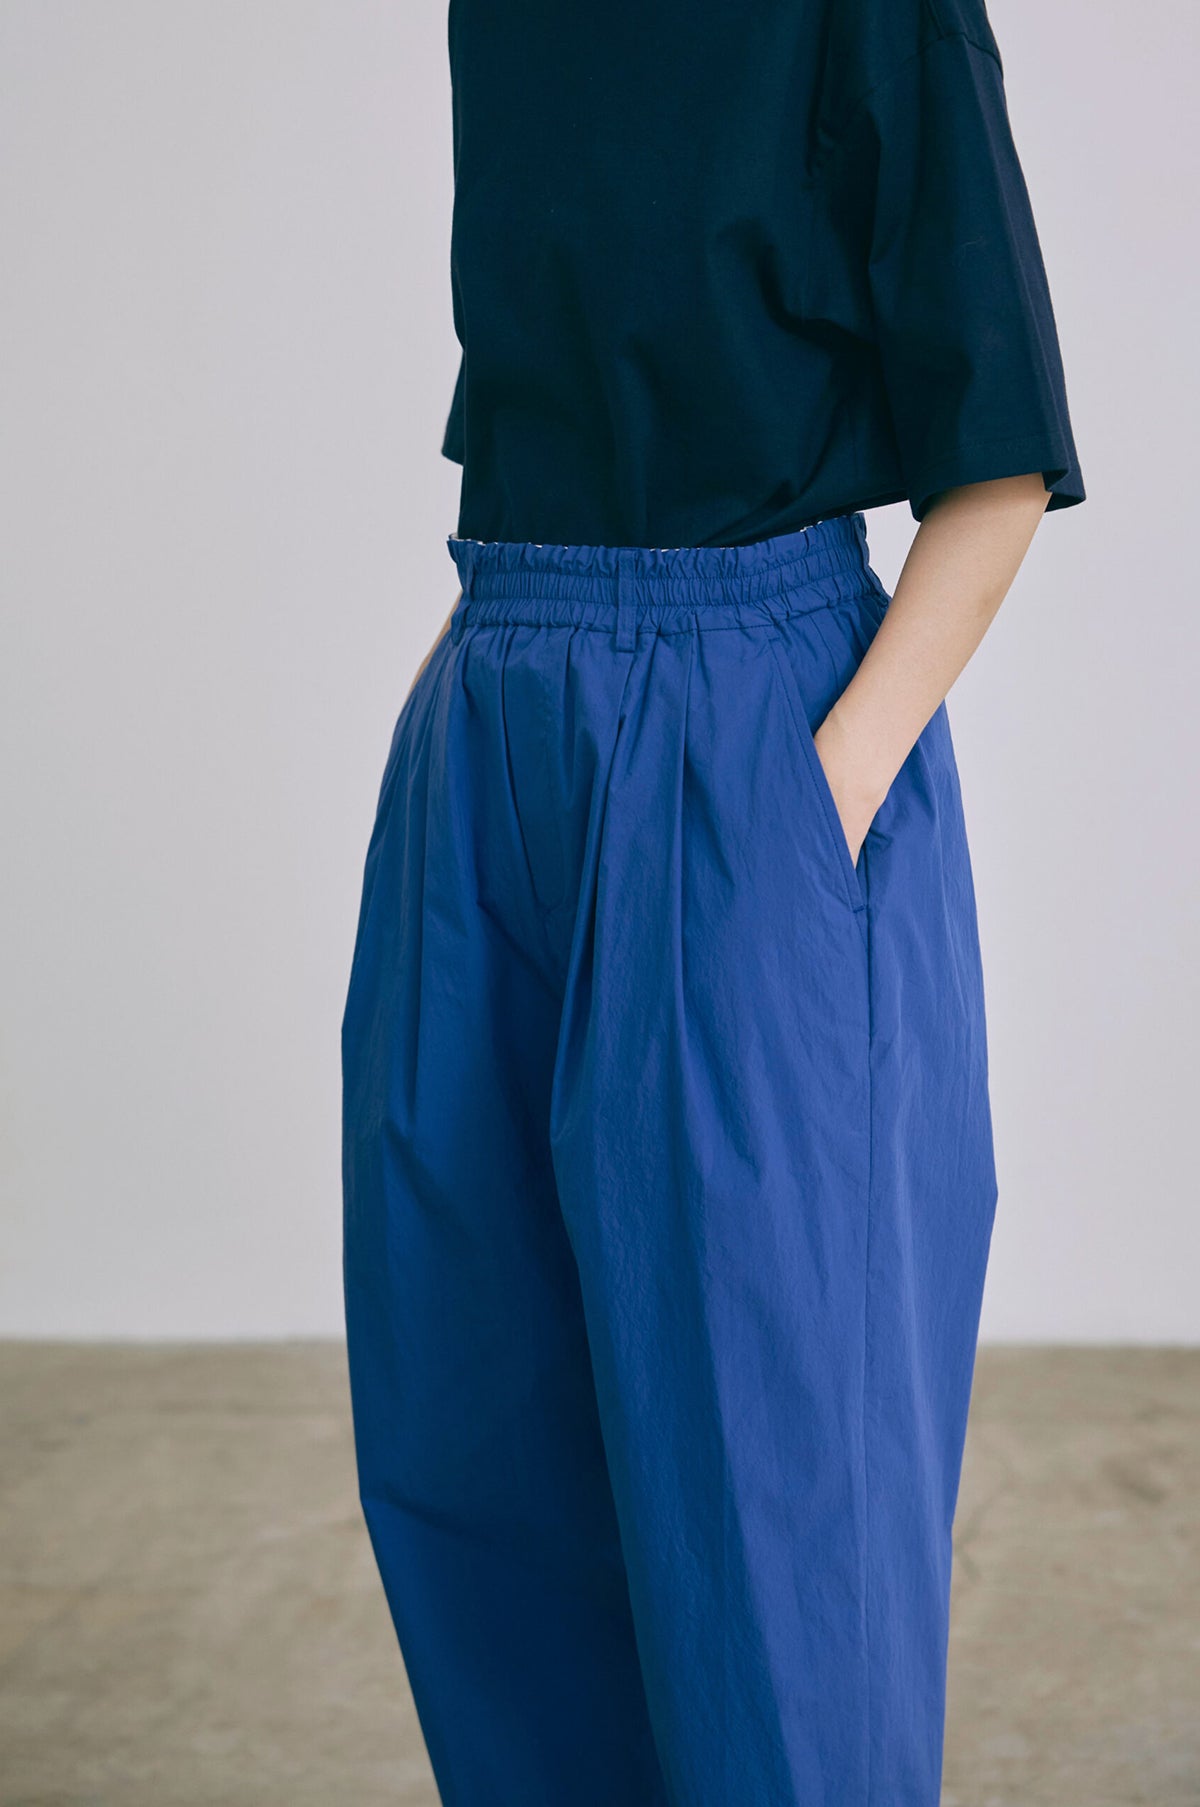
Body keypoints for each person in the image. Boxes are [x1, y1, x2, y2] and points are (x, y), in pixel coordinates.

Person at [341, 0, 1084, 1801]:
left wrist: (814, 800)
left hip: (748, 729)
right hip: (494, 709)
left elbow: (997, 464)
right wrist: (463, 698)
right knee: (479, 1461)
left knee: (775, 1520)